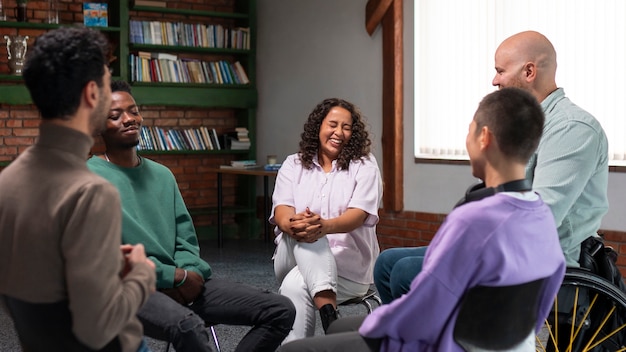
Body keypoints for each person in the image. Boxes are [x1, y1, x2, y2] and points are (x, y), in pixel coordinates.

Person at [277, 87, 566, 352]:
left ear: (484, 138)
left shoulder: (472, 219)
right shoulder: (540, 214)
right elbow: (547, 290)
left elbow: (423, 310)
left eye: (469, 130)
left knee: (295, 350)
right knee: (338, 326)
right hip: (503, 343)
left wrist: (378, 323)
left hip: (441, 342)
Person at [374, 30, 609, 303]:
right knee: (387, 262)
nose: (494, 80)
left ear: (529, 72)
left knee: (407, 272)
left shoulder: (571, 128)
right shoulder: (525, 123)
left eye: (500, 71)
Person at [87, 80, 296, 352]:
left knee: (280, 310)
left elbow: (186, 240)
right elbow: (105, 257)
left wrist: (188, 274)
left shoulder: (162, 175)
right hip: (133, 288)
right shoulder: (89, 179)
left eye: (133, 111)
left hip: (184, 282)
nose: (129, 119)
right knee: (188, 327)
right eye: (115, 116)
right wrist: (171, 276)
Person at [0, 28, 156, 351]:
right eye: (106, 80)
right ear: (91, 94)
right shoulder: (91, 194)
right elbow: (97, 329)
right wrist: (141, 274)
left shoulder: (7, 182)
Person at [270, 98, 382, 343]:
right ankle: (332, 324)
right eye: (333, 124)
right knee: (306, 233)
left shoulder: (364, 165)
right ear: (318, 126)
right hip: (290, 257)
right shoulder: (293, 164)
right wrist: (297, 224)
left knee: (296, 286)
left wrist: (324, 227)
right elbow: (281, 212)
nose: (339, 133)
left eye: (347, 127)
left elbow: (358, 215)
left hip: (348, 269)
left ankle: (302, 344)